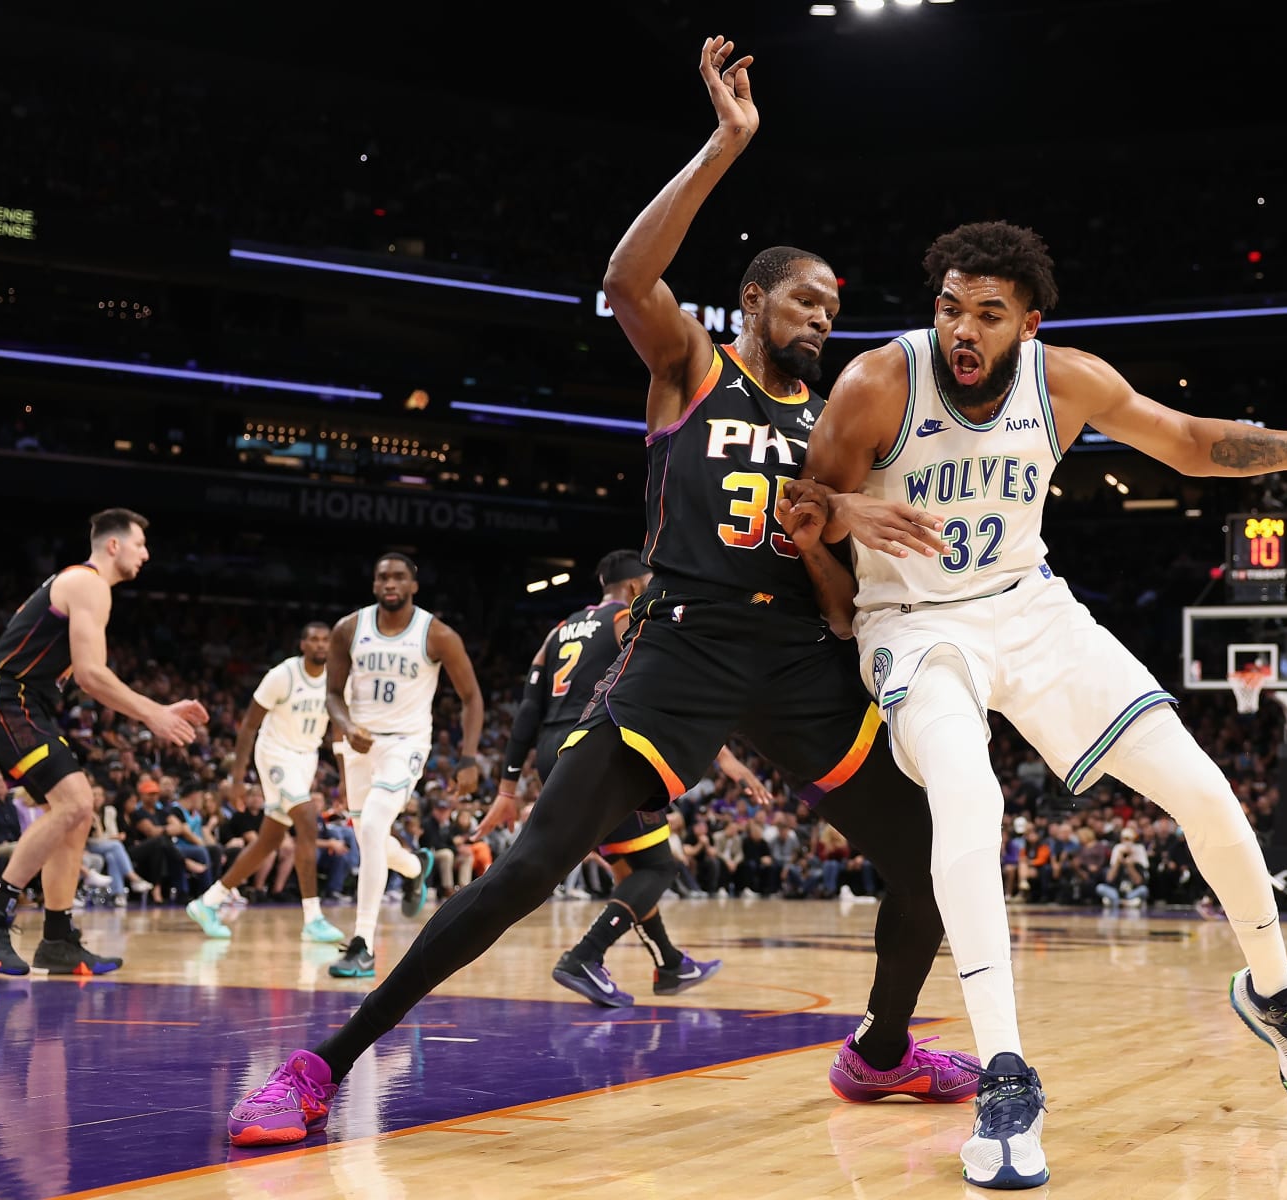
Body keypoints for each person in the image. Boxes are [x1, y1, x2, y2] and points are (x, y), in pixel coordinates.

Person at [228, 37, 972, 1148]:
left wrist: (829, 526)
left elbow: (834, 598)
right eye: (805, 302)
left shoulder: (831, 430)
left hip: (797, 661)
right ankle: (321, 1064)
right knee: (530, 868)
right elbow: (626, 281)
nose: (824, 320)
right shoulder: (693, 367)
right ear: (754, 300)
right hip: (683, 645)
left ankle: (881, 1051)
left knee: (931, 857)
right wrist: (727, 143)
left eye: (835, 309)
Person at [795, 221, 1287, 1185]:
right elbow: (800, 511)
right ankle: (1005, 1074)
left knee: (1204, 791)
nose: (963, 329)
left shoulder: (1066, 381)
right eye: (950, 308)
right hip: (914, 620)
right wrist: (844, 514)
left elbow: (1189, 444)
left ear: (1029, 324)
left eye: (989, 313)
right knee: (969, 797)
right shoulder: (876, 385)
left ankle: (1277, 995)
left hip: (1031, 609)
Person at [473, 549, 767, 1006]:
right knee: (658, 868)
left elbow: (528, 708)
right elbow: (665, 688)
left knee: (630, 867)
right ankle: (584, 957)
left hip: (554, 753)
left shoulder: (557, 631)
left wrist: (508, 787)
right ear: (634, 587)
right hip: (600, 747)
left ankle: (670, 963)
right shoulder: (626, 618)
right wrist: (724, 756)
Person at [0, 508, 206, 975]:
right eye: (139, 545)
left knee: (76, 813)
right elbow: (91, 676)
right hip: (7, 697)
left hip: (28, 702)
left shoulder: (79, 585)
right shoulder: (88, 583)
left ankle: (57, 939)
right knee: (74, 802)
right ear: (113, 545)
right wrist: (153, 712)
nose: (146, 554)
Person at [321, 552, 485, 979]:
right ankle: (415, 867)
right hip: (358, 743)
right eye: (382, 578)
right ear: (374, 585)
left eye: (398, 577)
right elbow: (333, 694)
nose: (390, 583)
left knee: (375, 825)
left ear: (413, 585)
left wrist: (468, 757)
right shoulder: (348, 629)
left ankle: (362, 945)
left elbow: (471, 697)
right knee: (369, 838)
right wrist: (346, 726)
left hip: (405, 743)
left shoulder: (437, 634)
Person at [185, 622, 344, 944]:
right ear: (302, 644)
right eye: (314, 639)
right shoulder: (282, 675)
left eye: (325, 640)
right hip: (275, 754)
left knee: (269, 840)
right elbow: (248, 726)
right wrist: (237, 778)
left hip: (306, 758)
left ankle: (208, 902)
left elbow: (339, 730)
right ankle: (313, 918)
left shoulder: (336, 679)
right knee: (307, 819)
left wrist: (344, 777)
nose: (320, 645)